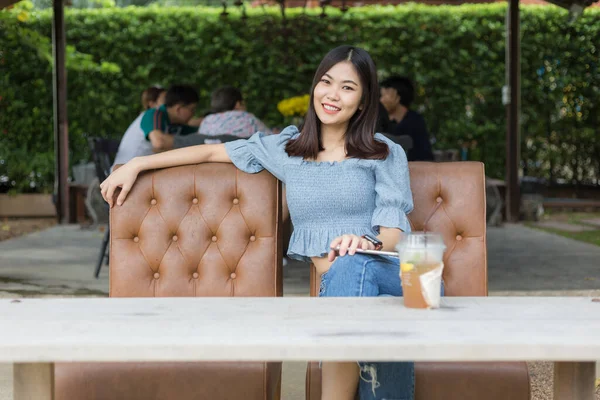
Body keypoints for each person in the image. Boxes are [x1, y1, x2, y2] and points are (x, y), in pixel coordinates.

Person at [101, 45, 417, 400]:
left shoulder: (383, 152)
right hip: (346, 293)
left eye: (347, 87)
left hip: (392, 277)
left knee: (349, 267)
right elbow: (210, 151)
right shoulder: (289, 150)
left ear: (362, 102)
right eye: (326, 82)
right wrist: (137, 165)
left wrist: (364, 244)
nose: (332, 94)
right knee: (349, 282)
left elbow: (393, 230)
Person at [112, 85, 200, 167]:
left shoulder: (171, 123)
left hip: (139, 171)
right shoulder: (154, 114)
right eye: (192, 109)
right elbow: (159, 142)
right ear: (178, 109)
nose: (193, 113)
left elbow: (199, 131)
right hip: (125, 172)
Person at [379, 76, 434, 161]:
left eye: (383, 95)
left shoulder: (415, 122)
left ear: (396, 96)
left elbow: (424, 156)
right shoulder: (381, 121)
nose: (381, 100)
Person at [199, 86, 272, 138]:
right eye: (243, 103)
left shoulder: (207, 120)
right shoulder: (248, 119)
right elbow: (270, 139)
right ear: (237, 104)